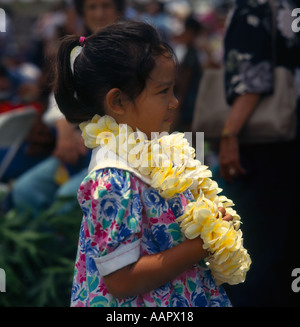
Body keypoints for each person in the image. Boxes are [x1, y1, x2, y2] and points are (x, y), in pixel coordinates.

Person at [53, 21, 240, 307]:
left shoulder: (155, 149)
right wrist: (205, 242)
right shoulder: (113, 178)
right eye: (163, 91)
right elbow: (122, 281)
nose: (174, 102)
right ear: (117, 101)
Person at [216, 0, 300, 306]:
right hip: (290, 142)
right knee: (285, 250)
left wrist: (229, 134)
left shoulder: (257, 6)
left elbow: (253, 80)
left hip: (263, 144)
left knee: (250, 250)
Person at [11, 0, 126, 215]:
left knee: (67, 198)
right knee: (25, 190)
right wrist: (65, 133)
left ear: (119, 10)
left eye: (106, 6)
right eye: (92, 7)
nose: (99, 13)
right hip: (77, 147)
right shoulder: (77, 51)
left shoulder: (133, 52)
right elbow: (60, 97)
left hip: (119, 152)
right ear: (83, 12)